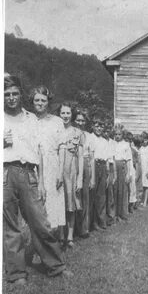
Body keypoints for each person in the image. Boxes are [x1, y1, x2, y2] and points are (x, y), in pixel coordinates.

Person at [3, 74, 72, 286]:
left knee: (41, 223)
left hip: (29, 173)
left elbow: (40, 152)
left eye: (15, 93)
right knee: (11, 227)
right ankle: (17, 274)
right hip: (5, 173)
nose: (11, 98)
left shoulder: (30, 118)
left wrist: (41, 181)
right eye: (7, 95)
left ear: (21, 95)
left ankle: (56, 266)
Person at [30, 86, 66, 238]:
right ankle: (35, 244)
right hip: (32, 166)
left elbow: (62, 148)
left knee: (52, 204)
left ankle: (53, 243)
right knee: (35, 204)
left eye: (43, 100)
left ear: (48, 102)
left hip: (52, 166)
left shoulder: (57, 121)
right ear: (32, 102)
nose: (40, 103)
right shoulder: (28, 120)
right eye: (37, 100)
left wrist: (60, 172)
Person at [58, 102, 84, 247]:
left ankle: (69, 236)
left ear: (72, 115)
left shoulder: (77, 132)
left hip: (72, 171)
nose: (65, 116)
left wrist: (80, 179)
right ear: (59, 114)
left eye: (68, 113)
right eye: (63, 113)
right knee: (60, 202)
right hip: (58, 170)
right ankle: (60, 234)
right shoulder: (55, 130)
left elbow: (80, 157)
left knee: (71, 203)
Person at [73, 107, 95, 238]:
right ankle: (73, 228)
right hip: (72, 164)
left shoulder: (89, 136)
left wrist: (92, 178)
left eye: (82, 120)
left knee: (85, 197)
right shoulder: (70, 132)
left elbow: (91, 158)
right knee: (74, 197)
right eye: (77, 120)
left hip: (85, 165)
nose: (80, 123)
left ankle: (84, 228)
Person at [90, 115, 114, 229]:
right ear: (92, 127)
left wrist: (108, 173)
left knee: (102, 195)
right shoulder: (90, 138)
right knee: (93, 195)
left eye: (101, 127)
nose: (99, 129)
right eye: (97, 126)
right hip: (94, 165)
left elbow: (109, 158)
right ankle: (93, 222)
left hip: (103, 167)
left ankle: (101, 220)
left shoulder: (105, 141)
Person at [113, 124, 132, 220]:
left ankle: (122, 213)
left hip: (123, 167)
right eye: (116, 134)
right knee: (115, 190)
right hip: (114, 167)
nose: (117, 136)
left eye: (119, 134)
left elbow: (128, 160)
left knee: (123, 191)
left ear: (122, 135)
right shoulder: (112, 143)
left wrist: (128, 174)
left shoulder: (126, 144)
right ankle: (114, 214)